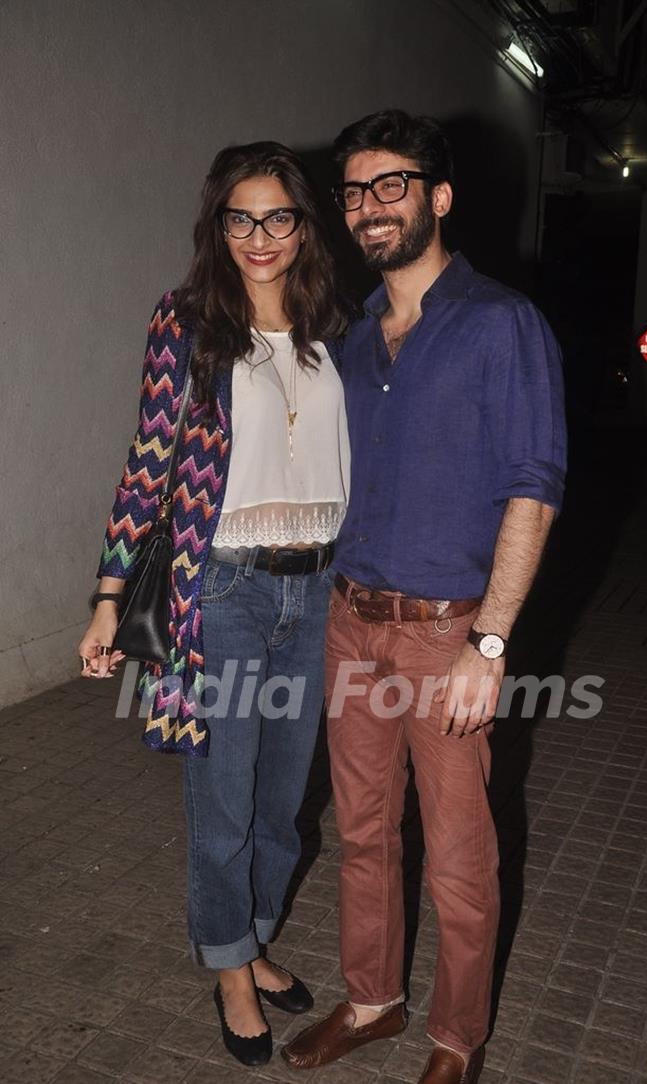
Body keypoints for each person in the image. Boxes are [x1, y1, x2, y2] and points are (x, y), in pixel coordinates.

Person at [281, 111, 567, 1084]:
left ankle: (456, 1037)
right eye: (355, 192)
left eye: (390, 185)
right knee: (363, 830)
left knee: (457, 856)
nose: (368, 208)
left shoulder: (501, 323)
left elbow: (535, 485)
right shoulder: (356, 340)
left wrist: (490, 646)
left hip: (447, 636)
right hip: (351, 621)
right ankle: (373, 999)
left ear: (439, 196)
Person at [78, 142, 350, 1067]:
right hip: (220, 587)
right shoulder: (189, 318)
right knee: (222, 795)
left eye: (278, 216)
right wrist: (110, 597)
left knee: (284, 797)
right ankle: (231, 967)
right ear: (217, 224)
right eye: (241, 217)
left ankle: (254, 931)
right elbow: (150, 459)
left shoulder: (333, 322)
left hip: (317, 588)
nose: (259, 236)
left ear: (304, 224)